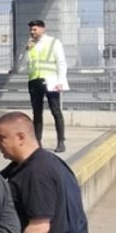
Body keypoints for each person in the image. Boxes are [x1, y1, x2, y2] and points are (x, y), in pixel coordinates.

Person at [21, 20, 68, 153]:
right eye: (31, 30)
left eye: (34, 29)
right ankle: (37, 142)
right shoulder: (30, 45)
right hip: (34, 80)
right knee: (37, 112)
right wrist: (27, 50)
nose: (32, 32)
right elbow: (24, 64)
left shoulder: (53, 42)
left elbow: (61, 62)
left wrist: (61, 81)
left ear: (42, 29)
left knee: (56, 110)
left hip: (51, 80)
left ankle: (61, 141)